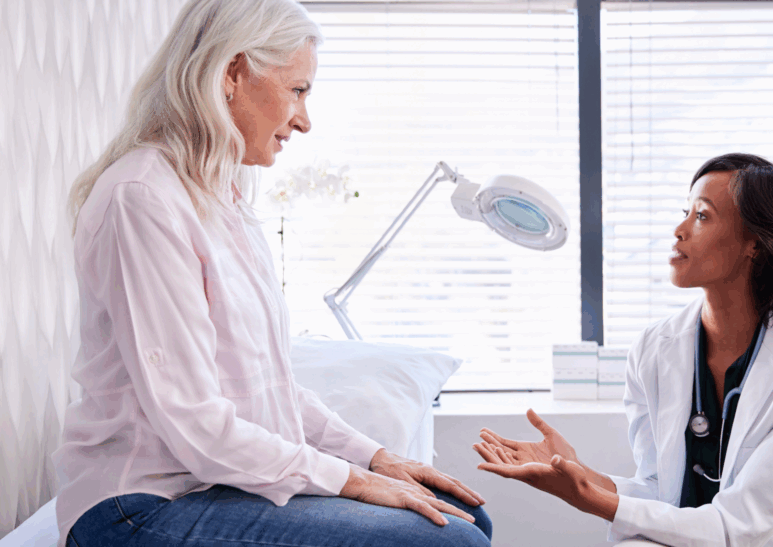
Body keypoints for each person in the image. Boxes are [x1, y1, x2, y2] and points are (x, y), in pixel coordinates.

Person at [53, 1, 491, 546]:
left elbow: (271, 390)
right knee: (450, 540)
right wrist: (353, 481)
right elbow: (195, 423)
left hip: (211, 487)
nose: (304, 120)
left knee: (462, 516)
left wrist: (377, 458)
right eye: (297, 90)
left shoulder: (223, 201)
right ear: (233, 73)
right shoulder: (143, 198)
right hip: (139, 508)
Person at [474, 153, 773, 547]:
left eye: (702, 216)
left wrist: (589, 497)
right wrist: (578, 473)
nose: (679, 230)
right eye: (684, 213)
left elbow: (738, 525)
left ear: (755, 244)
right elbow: (659, 491)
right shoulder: (652, 349)